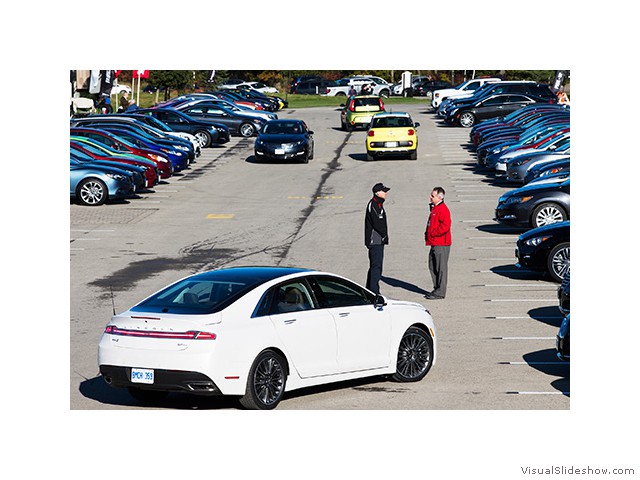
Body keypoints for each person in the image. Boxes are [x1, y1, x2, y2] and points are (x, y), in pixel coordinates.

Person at [424, 187, 452, 299]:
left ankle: (440, 292)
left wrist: (433, 233)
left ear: (440, 197)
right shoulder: (435, 208)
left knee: (441, 268)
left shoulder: (443, 209)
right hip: (434, 242)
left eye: (433, 196)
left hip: (441, 243)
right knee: (432, 265)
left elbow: (445, 226)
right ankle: (437, 288)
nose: (430, 197)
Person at [365, 183, 390, 294]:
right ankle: (374, 291)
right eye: (384, 191)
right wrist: (384, 234)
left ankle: (369, 289)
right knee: (376, 266)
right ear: (377, 193)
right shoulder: (373, 205)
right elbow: (377, 223)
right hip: (375, 240)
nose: (386, 193)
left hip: (379, 240)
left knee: (376, 266)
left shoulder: (379, 204)